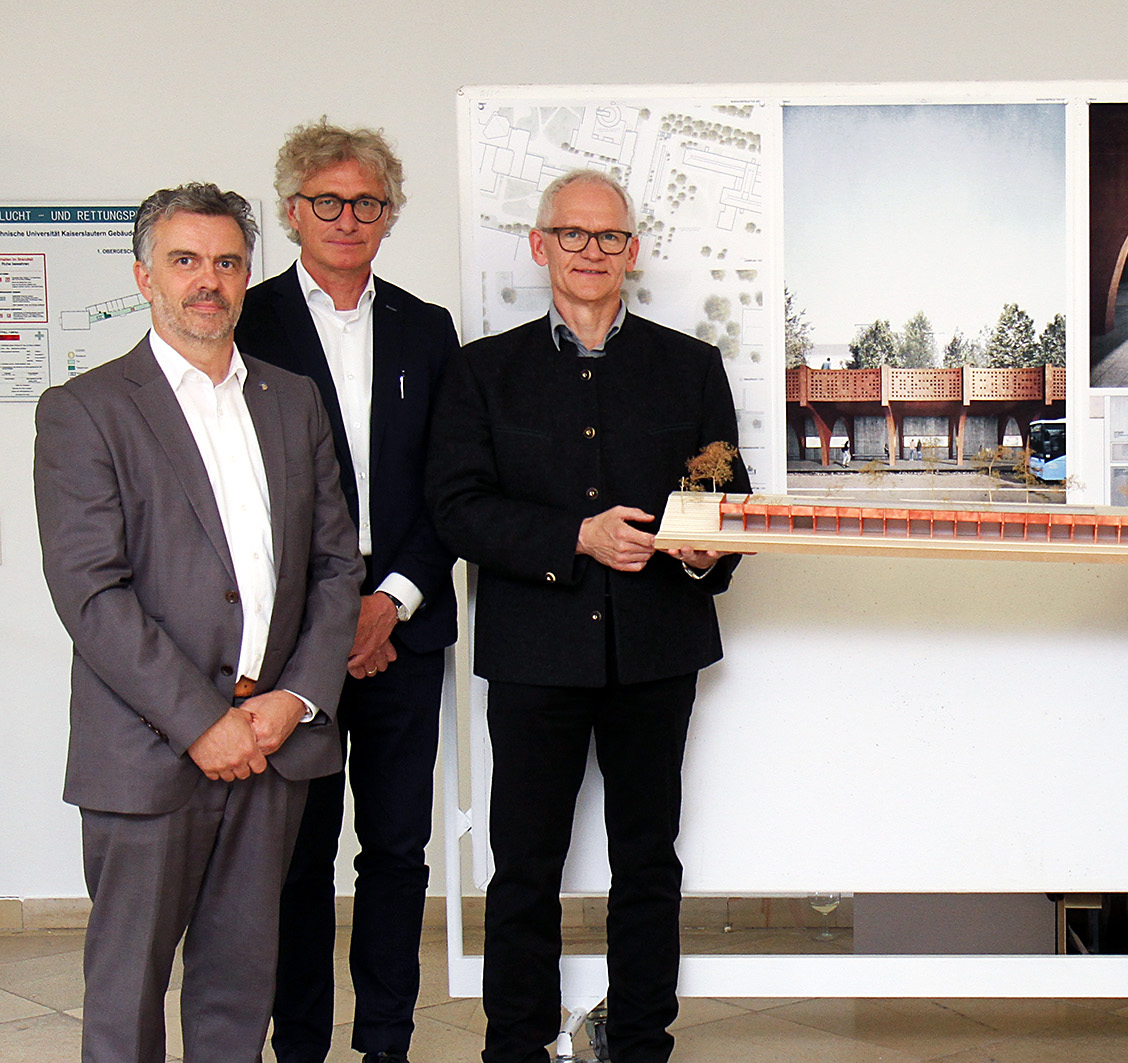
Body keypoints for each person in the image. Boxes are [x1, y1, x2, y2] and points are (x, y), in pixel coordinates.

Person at [33, 183, 363, 1063]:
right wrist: (200, 722)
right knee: (126, 994)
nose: (207, 280)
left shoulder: (293, 401)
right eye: (184, 260)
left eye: (226, 262)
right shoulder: (86, 409)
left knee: (238, 989)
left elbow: (337, 567)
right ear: (146, 276)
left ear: (247, 276)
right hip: (146, 752)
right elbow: (91, 592)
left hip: (272, 740)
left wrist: (295, 698)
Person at [427, 168, 748, 1063]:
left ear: (632, 251)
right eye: (573, 234)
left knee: (648, 863)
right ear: (540, 245)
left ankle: (641, 1041)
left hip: (657, 651)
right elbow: (457, 508)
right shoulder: (483, 371)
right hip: (534, 655)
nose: (591, 252)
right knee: (524, 867)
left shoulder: (690, 366)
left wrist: (706, 549)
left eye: (609, 237)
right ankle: (515, 1046)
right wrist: (576, 535)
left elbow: (724, 495)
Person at [235, 120, 461, 1063]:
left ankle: (385, 1043)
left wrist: (391, 600)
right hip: (293, 631)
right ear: (292, 212)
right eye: (326, 200)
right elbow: (235, 492)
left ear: (389, 216)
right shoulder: (246, 321)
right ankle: (299, 1046)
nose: (347, 217)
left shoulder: (426, 326)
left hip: (404, 622)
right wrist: (334, 617)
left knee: (397, 851)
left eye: (367, 202)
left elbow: (453, 484)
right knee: (296, 856)